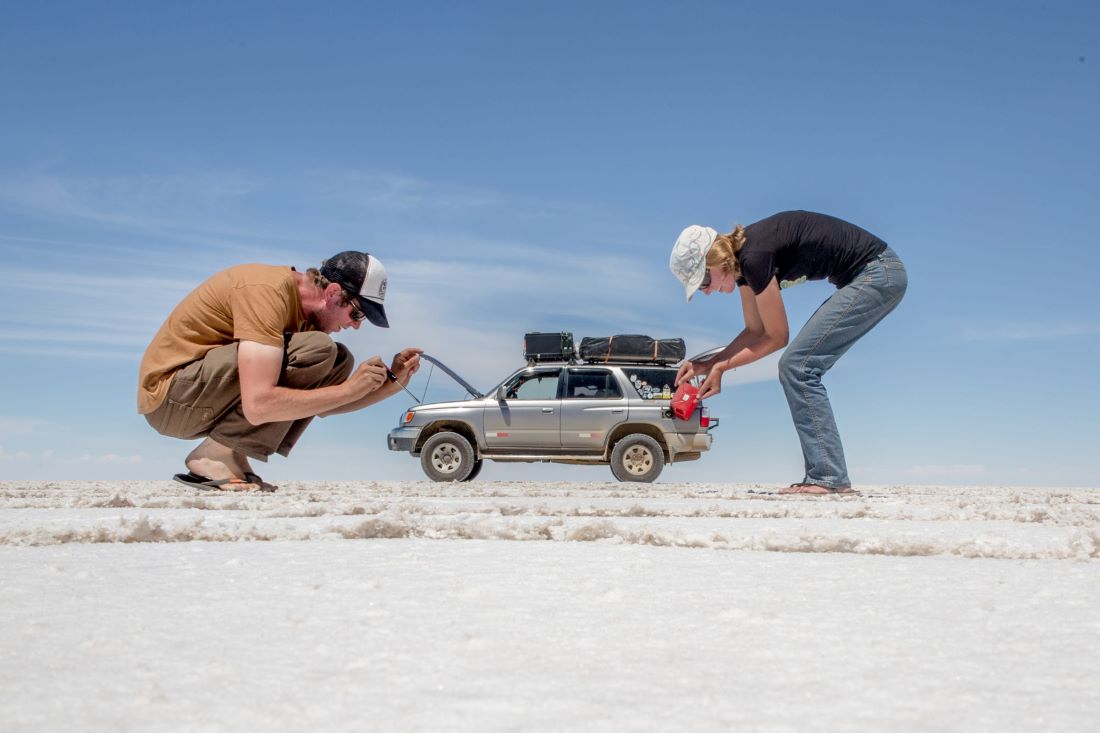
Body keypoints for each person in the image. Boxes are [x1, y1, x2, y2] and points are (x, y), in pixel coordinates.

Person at [138, 251, 422, 492]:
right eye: (358, 314)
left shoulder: (307, 320)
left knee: (339, 360)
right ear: (334, 293)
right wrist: (348, 389)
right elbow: (259, 405)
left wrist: (392, 384)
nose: (357, 326)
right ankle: (214, 454)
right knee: (321, 349)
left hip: (198, 397)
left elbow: (323, 406)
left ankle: (231, 453)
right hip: (172, 399)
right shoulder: (267, 292)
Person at [669, 211, 907, 495]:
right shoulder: (744, 268)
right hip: (873, 274)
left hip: (879, 273)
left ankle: (828, 477)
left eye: (703, 282)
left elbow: (777, 337)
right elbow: (754, 332)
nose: (706, 292)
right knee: (797, 366)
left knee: (798, 366)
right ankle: (825, 475)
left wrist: (720, 367)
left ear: (715, 261)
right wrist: (708, 364)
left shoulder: (754, 257)